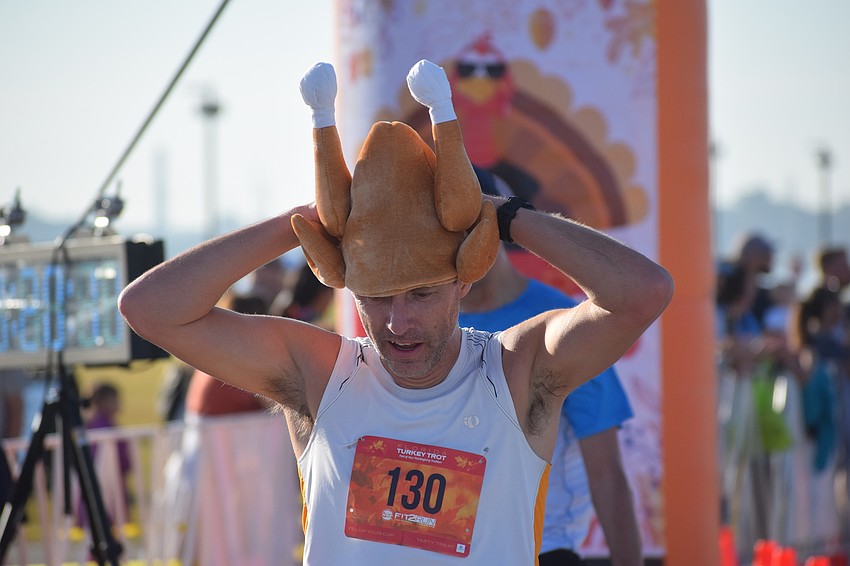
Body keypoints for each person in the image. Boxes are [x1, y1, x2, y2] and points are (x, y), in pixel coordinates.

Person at [118, 59, 673, 564]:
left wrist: (499, 216)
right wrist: (305, 219)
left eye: (422, 295)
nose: (397, 323)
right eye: (376, 299)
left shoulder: (516, 369)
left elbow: (644, 292)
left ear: (462, 282)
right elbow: (148, 308)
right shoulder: (320, 372)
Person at [459, 238, 642, 565]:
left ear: (491, 227)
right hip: (445, 546)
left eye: (463, 232)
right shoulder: (417, 326)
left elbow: (606, 473)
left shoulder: (563, 324)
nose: (453, 248)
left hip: (541, 547)